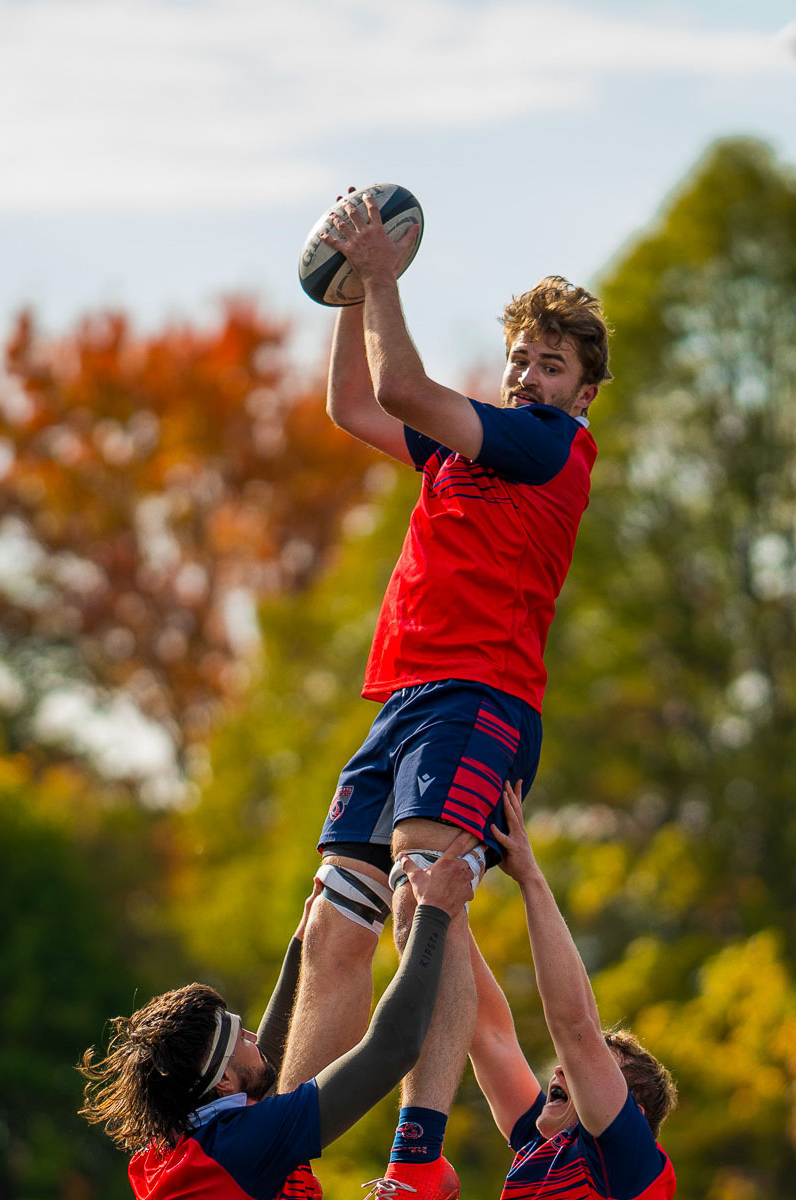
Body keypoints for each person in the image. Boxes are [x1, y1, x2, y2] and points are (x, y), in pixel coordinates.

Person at [278, 189, 613, 1200]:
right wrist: (347, 289)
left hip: (483, 701)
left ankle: (419, 1159)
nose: (527, 372)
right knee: (338, 922)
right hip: (407, 702)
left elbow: (410, 387)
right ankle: (280, 1153)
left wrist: (380, 277)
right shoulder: (475, 447)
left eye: (551, 364)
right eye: (521, 355)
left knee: (429, 909)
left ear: (584, 393)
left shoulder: (546, 447)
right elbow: (354, 405)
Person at [78, 845, 475, 1200]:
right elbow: (393, 1047)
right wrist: (432, 913)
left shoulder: (168, 1148)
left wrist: (299, 949)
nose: (253, 1036)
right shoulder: (239, 1148)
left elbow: (261, 1063)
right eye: (241, 1037)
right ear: (223, 1084)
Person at [469, 781, 678, 1200]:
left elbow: (575, 1027)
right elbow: (484, 1030)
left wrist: (529, 875)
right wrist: (433, 902)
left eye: (590, 1072)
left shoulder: (627, 1164)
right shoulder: (544, 1145)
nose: (562, 1070)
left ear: (630, 1117)